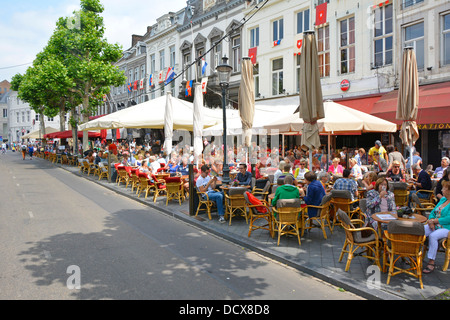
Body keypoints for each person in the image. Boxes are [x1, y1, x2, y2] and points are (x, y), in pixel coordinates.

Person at [422, 180, 450, 274]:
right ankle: (414, 254)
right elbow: (433, 211)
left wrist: (434, 221)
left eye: (444, 188)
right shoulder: (443, 200)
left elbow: (448, 218)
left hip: (446, 227)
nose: (442, 190)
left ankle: (431, 262)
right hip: (435, 224)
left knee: (433, 236)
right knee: (421, 230)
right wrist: (430, 221)